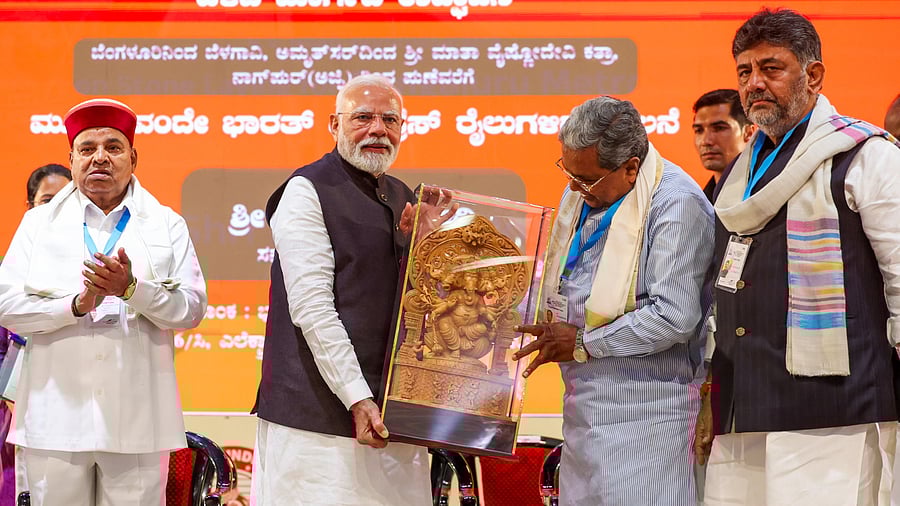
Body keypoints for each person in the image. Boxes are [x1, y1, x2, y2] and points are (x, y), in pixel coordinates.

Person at [696, 9, 900, 506]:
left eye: (772, 68)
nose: (754, 84)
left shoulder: (866, 155)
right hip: (743, 404)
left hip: (833, 412)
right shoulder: (743, 170)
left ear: (813, 75)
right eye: (744, 72)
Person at [251, 75, 450, 505]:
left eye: (389, 119)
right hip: (319, 427)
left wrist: (429, 251)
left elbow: (425, 311)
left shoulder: (405, 198)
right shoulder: (306, 191)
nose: (378, 129)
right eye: (363, 117)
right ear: (333, 124)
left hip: (396, 423)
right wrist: (358, 398)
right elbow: (313, 309)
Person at [0, 98, 207, 506]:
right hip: (53, 416)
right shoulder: (37, 224)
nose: (100, 158)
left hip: (140, 418)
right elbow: (6, 305)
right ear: (72, 158)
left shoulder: (165, 223)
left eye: (113, 147)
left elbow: (192, 308)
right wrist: (76, 305)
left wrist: (132, 289)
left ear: (133, 156)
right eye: (87, 148)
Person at [512, 96, 714, 505]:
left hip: (649, 423)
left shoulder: (675, 204)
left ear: (630, 167)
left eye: (585, 179)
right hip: (584, 417)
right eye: (568, 173)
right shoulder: (590, 197)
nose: (573, 187)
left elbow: (674, 317)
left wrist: (584, 343)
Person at [0, 164, 72, 505]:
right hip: (10, 411)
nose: (55, 208)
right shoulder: (9, 273)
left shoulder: (94, 267)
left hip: (69, 404)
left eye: (65, 199)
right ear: (30, 208)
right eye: (46, 200)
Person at [691, 89, 755, 201]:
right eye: (699, 130)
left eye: (719, 128)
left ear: (748, 133)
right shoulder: (700, 203)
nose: (706, 141)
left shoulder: (767, 189)